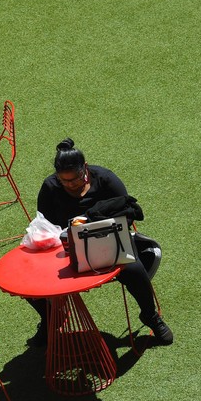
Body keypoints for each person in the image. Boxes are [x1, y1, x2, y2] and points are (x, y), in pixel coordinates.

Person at [27, 138, 173, 346]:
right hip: (66, 248)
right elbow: (44, 222)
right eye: (64, 181)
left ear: (84, 169)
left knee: (133, 268)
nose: (70, 186)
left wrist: (95, 224)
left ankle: (150, 316)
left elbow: (128, 213)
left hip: (109, 240)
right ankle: (50, 316)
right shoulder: (50, 187)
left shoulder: (105, 179)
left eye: (75, 180)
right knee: (29, 277)